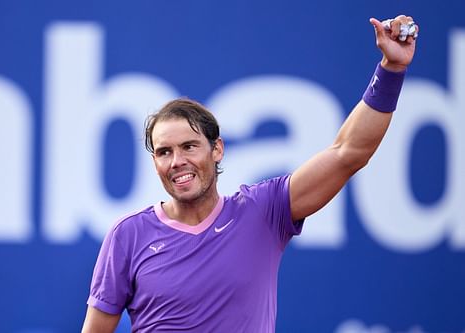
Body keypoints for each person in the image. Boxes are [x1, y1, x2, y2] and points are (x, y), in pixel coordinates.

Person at [81, 15, 418, 333]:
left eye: (189, 146)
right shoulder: (128, 236)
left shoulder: (263, 211)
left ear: (217, 150)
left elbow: (348, 153)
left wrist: (391, 69)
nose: (177, 161)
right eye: (164, 152)